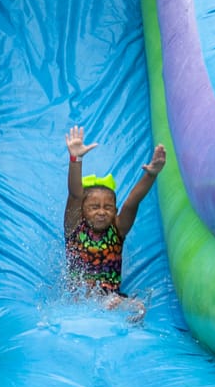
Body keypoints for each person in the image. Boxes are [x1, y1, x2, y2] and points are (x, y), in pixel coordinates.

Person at [63, 124, 166, 320]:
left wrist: (151, 174)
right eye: (94, 207)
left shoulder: (117, 231)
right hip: (78, 300)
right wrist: (76, 159)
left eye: (108, 207)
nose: (101, 212)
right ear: (82, 211)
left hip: (112, 297)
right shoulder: (74, 229)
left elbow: (132, 202)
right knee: (95, 301)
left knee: (139, 308)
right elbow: (75, 194)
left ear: (115, 211)